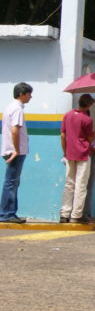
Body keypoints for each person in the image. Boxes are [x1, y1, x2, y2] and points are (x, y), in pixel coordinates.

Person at [60, 94, 95, 224]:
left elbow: (62, 135)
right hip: (83, 154)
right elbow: (90, 139)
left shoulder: (67, 115)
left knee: (69, 184)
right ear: (89, 105)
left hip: (69, 153)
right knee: (81, 185)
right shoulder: (87, 119)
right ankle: (76, 215)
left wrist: (65, 151)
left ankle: (64, 213)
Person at [1, 82, 33, 224]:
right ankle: (7, 214)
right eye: (28, 94)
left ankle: (7, 212)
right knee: (11, 182)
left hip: (11, 149)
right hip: (15, 151)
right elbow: (15, 130)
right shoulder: (17, 109)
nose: (30, 97)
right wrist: (17, 150)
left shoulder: (9, 107)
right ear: (21, 94)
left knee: (12, 182)